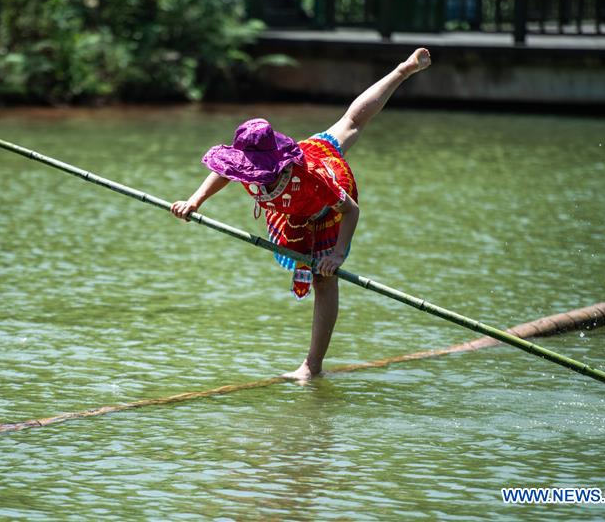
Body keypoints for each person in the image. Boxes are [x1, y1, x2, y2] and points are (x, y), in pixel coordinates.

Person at [171, 48, 432, 381]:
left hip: (325, 206)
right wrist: (195, 201)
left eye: (254, 170)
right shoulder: (244, 164)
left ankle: (312, 367)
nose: (246, 175)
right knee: (349, 121)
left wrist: (337, 255)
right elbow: (224, 172)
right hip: (294, 203)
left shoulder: (310, 182)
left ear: (275, 166)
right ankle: (404, 69)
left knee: (324, 279)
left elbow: (350, 211)